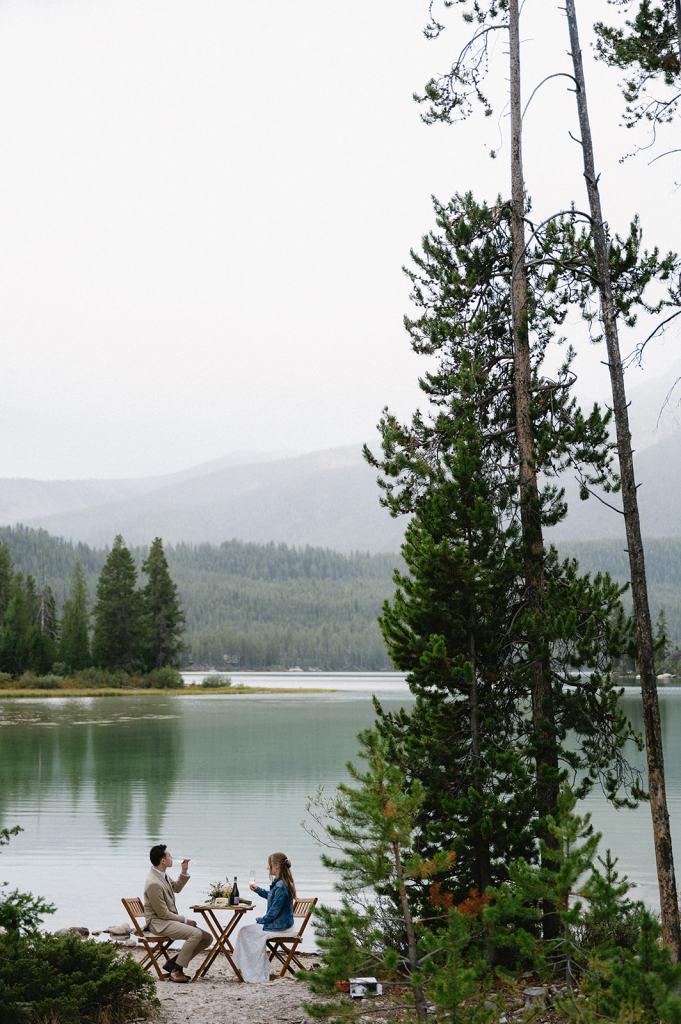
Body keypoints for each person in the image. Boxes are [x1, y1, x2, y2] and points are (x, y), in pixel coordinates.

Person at [143, 843, 211, 984]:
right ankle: (176, 971)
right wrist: (185, 920)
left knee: (207, 938)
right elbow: (162, 914)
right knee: (195, 934)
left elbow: (177, 888)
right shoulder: (153, 883)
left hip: (166, 920)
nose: (172, 858)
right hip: (158, 923)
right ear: (163, 860)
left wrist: (184, 871)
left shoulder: (162, 875)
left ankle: (173, 963)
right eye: (169, 856)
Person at [233, 851, 298, 983]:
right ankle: (247, 968)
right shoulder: (281, 883)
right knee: (245, 931)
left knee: (245, 932)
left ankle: (252, 970)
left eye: (269, 865)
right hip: (281, 924)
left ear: (277, 866)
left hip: (280, 927)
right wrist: (258, 890)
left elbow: (273, 912)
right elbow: (271, 897)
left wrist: (261, 920)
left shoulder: (281, 886)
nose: (268, 868)